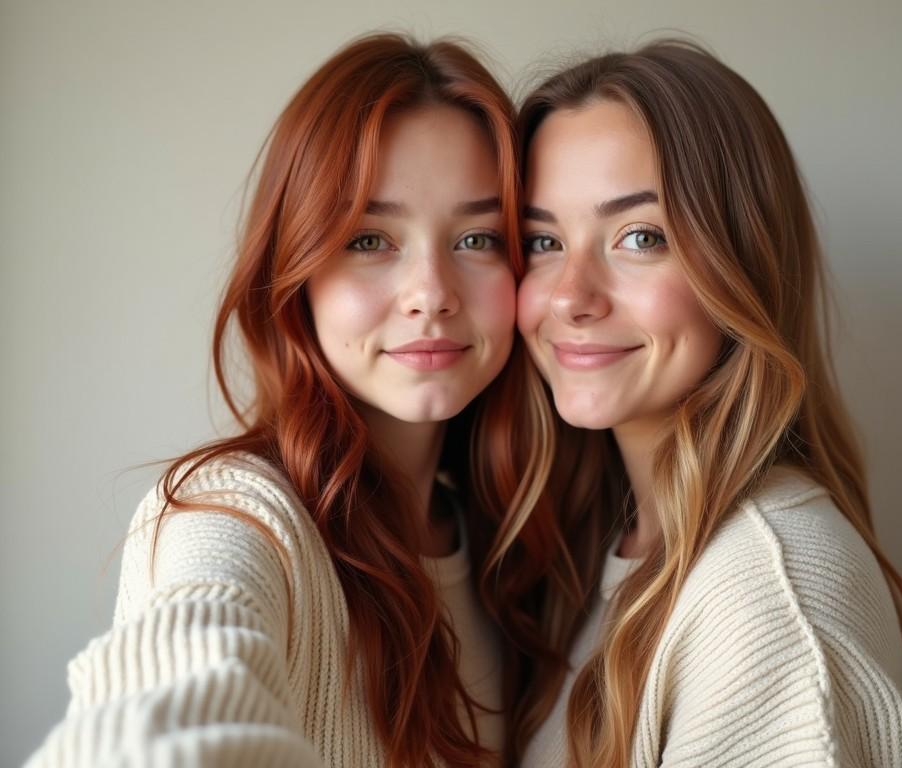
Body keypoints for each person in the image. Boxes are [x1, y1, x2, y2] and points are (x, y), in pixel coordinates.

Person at [27, 33, 536, 768]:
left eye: (479, 238)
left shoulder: (506, 550)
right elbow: (165, 710)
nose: (431, 293)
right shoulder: (232, 512)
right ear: (296, 270)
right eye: (369, 239)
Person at [508, 40, 902, 767]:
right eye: (543, 240)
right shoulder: (603, 545)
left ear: (743, 262)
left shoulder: (771, 602)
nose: (570, 297)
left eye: (639, 237)